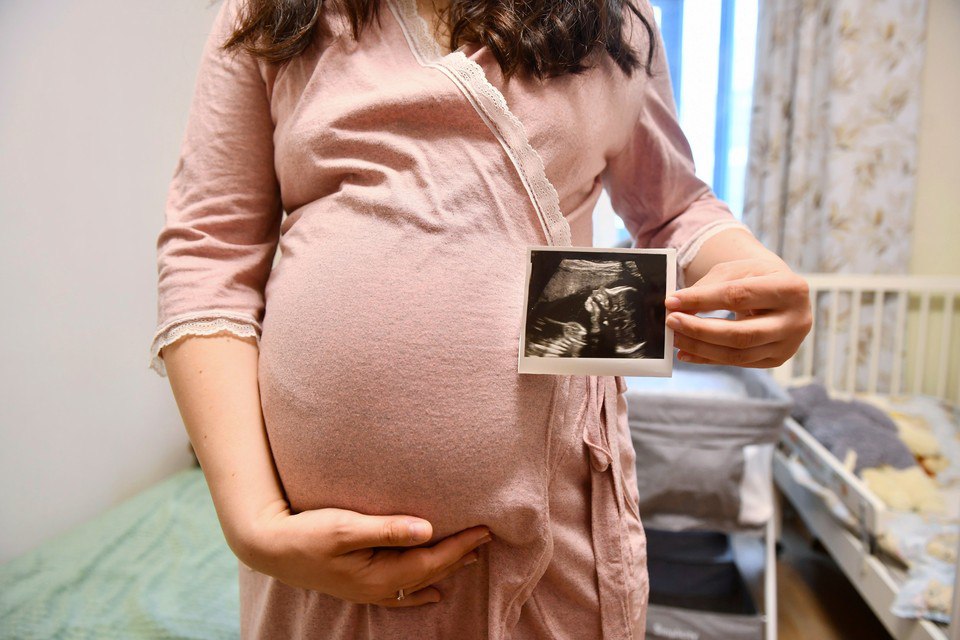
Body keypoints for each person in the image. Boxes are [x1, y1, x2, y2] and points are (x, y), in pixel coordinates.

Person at [148, 0, 813, 637]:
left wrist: (743, 263)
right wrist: (255, 524)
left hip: (559, 537)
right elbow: (210, 252)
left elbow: (674, 208)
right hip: (321, 562)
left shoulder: (610, 21)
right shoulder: (273, 15)